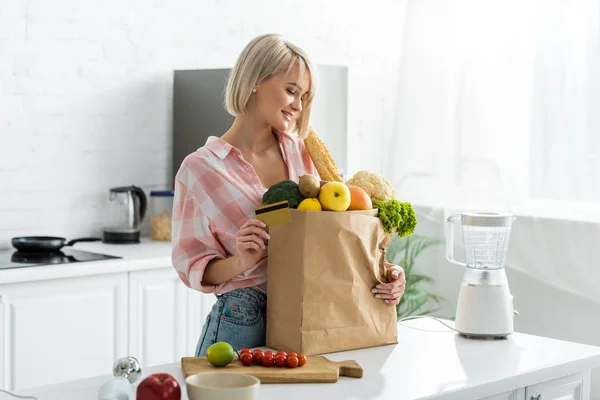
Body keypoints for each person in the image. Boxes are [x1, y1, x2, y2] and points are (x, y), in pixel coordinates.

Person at [171, 33, 406, 356]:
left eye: (304, 96)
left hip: (310, 308)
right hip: (244, 315)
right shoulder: (199, 170)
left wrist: (384, 270)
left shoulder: (303, 154)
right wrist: (241, 260)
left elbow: (332, 234)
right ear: (254, 80)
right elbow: (193, 265)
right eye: (291, 91)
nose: (298, 104)